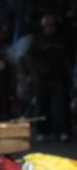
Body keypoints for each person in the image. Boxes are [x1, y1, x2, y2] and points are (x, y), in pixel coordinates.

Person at [28, 14, 72, 142]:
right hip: (42, 78)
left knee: (60, 105)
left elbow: (67, 58)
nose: (49, 28)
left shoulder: (62, 40)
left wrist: (69, 75)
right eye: (47, 26)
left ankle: (62, 131)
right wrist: (34, 73)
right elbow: (30, 58)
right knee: (42, 105)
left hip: (59, 77)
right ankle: (42, 131)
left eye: (52, 26)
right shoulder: (37, 40)